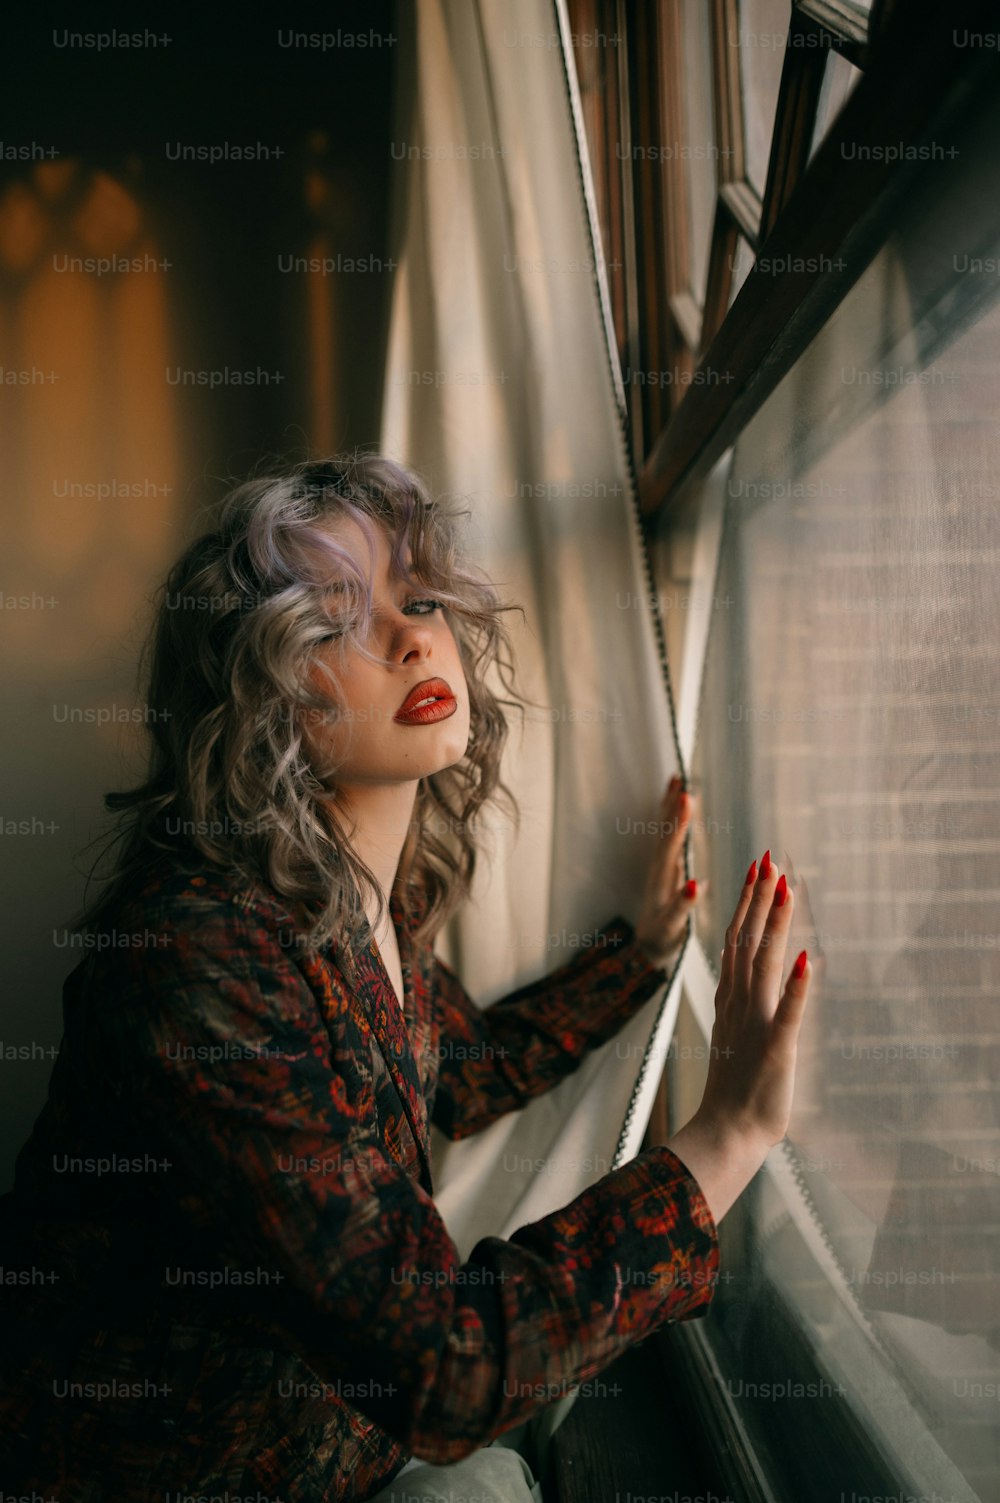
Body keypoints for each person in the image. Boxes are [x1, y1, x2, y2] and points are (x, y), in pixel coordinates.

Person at [0, 454, 810, 1503]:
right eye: (336, 620)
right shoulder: (196, 957)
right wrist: (726, 1136)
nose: (411, 637)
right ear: (256, 692)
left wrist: (643, 951)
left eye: (418, 598)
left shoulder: (358, 894)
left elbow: (457, 1070)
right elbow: (444, 1368)